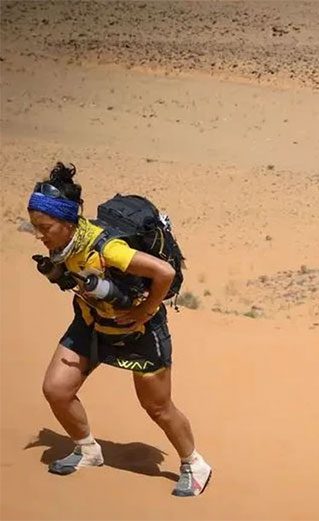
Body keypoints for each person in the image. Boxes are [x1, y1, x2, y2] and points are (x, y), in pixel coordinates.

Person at [27, 162, 211, 497]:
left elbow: (164, 273)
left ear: (68, 222)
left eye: (45, 226)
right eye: (35, 225)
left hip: (137, 331)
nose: (39, 233)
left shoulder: (108, 248)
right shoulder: (63, 244)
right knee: (56, 389)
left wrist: (145, 310)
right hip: (90, 324)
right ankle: (87, 450)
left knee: (158, 407)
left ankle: (194, 463)